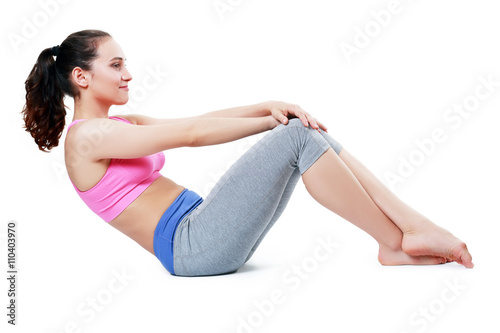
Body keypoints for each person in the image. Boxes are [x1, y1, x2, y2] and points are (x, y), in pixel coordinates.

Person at [22, 30, 473, 277]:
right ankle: (394, 242)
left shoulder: (117, 126)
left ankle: (408, 229)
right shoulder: (87, 139)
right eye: (116, 65)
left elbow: (199, 117)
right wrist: (275, 123)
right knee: (298, 137)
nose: (128, 74)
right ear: (81, 77)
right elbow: (193, 135)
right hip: (193, 247)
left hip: (204, 229)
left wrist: (266, 104)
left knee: (308, 138)